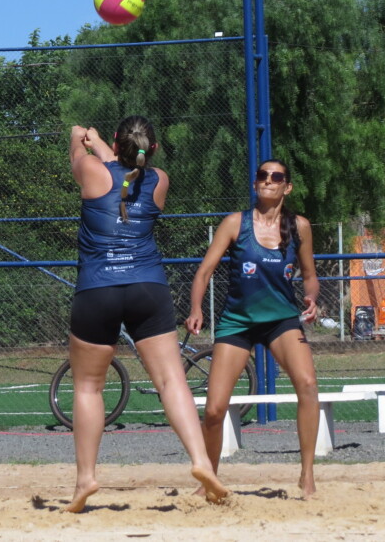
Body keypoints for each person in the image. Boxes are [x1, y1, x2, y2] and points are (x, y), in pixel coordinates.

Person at [65, 116, 230, 513]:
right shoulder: (159, 180)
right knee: (172, 381)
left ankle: (86, 478)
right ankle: (201, 461)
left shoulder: (91, 170)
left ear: (115, 143)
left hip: (98, 288)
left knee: (88, 387)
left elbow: (84, 161)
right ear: (152, 149)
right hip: (147, 288)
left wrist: (79, 137)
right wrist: (103, 142)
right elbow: (125, 174)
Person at [186, 159, 322, 497]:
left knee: (307, 384)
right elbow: (204, 272)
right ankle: (209, 481)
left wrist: (312, 298)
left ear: (287, 186)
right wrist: (196, 308)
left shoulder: (300, 226)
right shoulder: (236, 223)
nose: (268, 180)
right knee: (214, 409)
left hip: (281, 320)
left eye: (276, 176)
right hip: (238, 321)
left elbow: (310, 276)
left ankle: (307, 475)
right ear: (255, 183)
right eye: (263, 175)